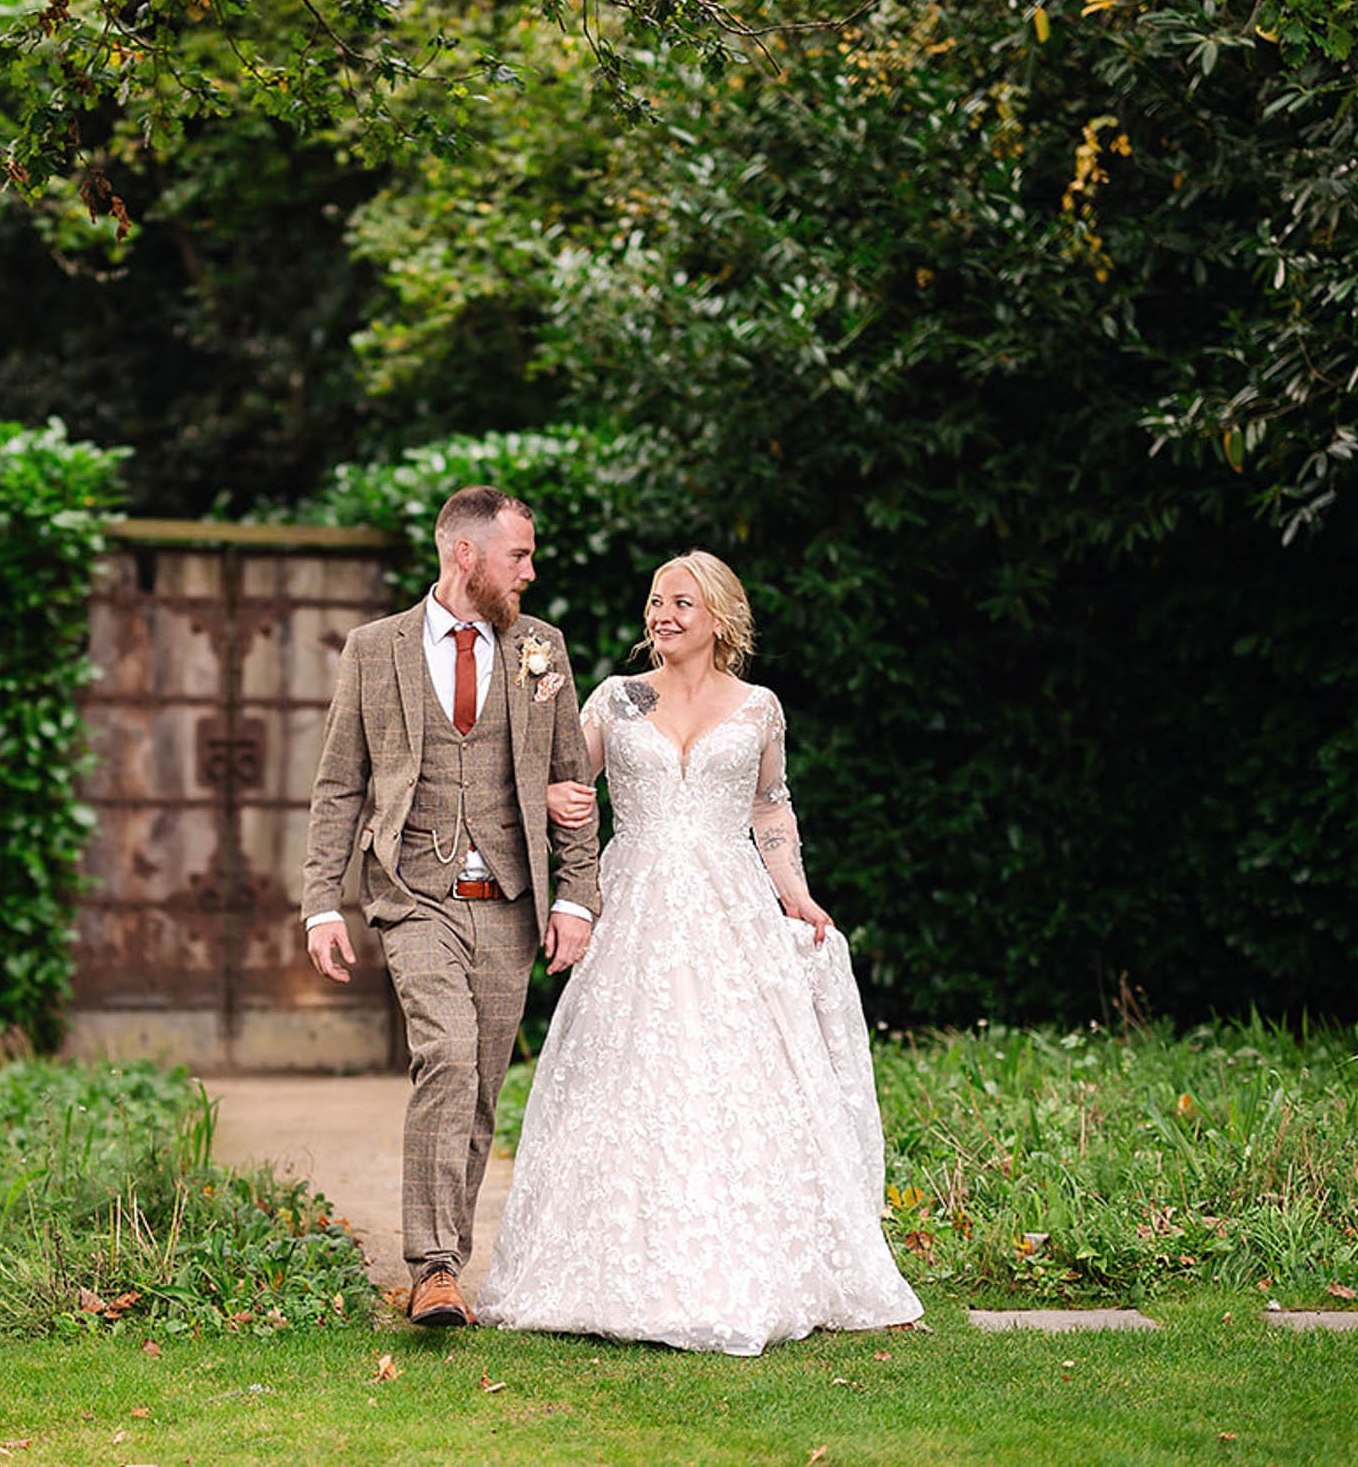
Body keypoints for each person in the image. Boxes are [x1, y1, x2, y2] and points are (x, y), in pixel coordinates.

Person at [475, 551, 923, 1355]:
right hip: (635, 902)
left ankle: (749, 1262)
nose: (662, 615)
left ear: (719, 616)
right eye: (654, 601)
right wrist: (552, 796)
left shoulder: (759, 709)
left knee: (736, 1075)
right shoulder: (617, 698)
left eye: (681, 602)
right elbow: (565, 780)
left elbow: (768, 807)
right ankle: (607, 1263)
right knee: (627, 1069)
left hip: (729, 909)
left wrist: (795, 889)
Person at [301, 485, 602, 1327]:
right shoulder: (374, 649)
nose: (530, 574)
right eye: (519, 556)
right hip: (412, 892)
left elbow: (571, 786)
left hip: (508, 899)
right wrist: (322, 903)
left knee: (478, 1088)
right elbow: (339, 784)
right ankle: (432, 1267)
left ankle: (448, 1262)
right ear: (465, 555)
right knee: (448, 1052)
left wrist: (578, 896)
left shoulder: (543, 648)